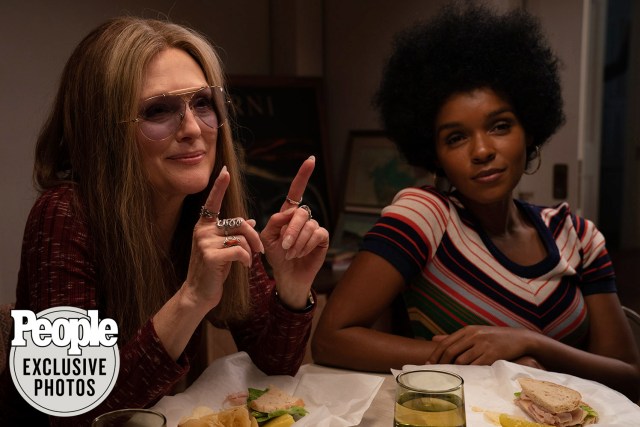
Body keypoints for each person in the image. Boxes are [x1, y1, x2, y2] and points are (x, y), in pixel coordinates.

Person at [0, 16, 329, 425]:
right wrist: (190, 298)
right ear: (104, 131)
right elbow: (72, 411)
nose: (193, 129)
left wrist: (292, 289)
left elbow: (274, 365)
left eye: (203, 103)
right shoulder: (64, 214)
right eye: (159, 110)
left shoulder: (208, 207)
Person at [311, 2, 640, 401]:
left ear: (529, 130)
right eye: (456, 137)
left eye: (500, 126)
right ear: (434, 154)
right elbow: (331, 339)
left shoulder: (579, 237)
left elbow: (628, 375)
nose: (482, 150)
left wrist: (529, 343)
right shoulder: (426, 216)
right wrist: (483, 363)